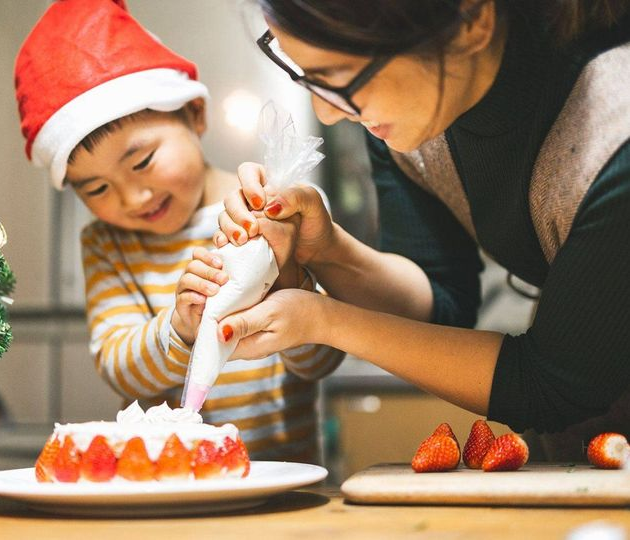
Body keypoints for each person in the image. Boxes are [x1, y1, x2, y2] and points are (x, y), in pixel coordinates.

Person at [215, 0, 630, 460]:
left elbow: (551, 385)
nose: (328, 113)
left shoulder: (615, 131)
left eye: (341, 77)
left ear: (473, 21)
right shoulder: (411, 115)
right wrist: (327, 248)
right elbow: (441, 307)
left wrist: (323, 320)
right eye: (308, 75)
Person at [13, 0, 344, 462]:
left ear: (194, 114)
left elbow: (323, 360)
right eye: (97, 188)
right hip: (168, 481)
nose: (132, 197)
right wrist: (179, 328)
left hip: (283, 477)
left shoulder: (278, 210)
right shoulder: (107, 244)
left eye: (142, 161)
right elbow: (119, 367)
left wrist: (288, 279)